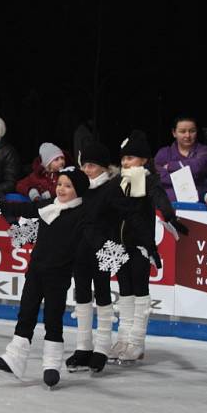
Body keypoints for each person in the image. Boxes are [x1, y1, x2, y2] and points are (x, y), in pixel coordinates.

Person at [0, 168, 91, 388]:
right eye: (60, 184)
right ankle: (13, 358)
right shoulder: (48, 207)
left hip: (58, 276)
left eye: (68, 186)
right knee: (26, 313)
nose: (61, 189)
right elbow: (22, 207)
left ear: (78, 191)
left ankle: (51, 365)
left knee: (53, 319)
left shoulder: (81, 216)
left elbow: (91, 241)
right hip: (35, 272)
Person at [112, 130, 187, 364]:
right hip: (119, 244)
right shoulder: (119, 181)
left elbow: (159, 198)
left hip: (141, 244)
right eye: (123, 158)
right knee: (124, 289)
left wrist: (169, 216)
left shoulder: (148, 179)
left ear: (144, 160)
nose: (125, 162)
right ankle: (123, 338)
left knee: (139, 288)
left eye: (131, 158)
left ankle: (137, 341)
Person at [66, 141, 125, 373]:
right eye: (84, 165)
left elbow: (123, 216)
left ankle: (101, 347)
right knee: (81, 293)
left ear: (103, 167)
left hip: (104, 249)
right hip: (80, 249)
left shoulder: (112, 188)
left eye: (91, 165)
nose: (86, 170)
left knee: (102, 292)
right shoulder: (80, 188)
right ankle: (83, 347)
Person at [154, 116, 207, 201]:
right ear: (174, 133)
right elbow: (156, 177)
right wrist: (190, 180)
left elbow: (198, 167)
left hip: (200, 207)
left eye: (192, 131)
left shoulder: (206, 151)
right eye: (182, 131)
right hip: (168, 207)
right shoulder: (164, 153)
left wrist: (170, 167)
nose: (187, 135)